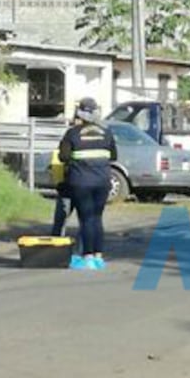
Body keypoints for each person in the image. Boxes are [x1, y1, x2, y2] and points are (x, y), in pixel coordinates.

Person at [58, 98, 117, 271]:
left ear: (80, 114)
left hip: (81, 182)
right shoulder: (106, 133)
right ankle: (99, 256)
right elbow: (113, 156)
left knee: (86, 219)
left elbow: (64, 156)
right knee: (97, 218)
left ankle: (88, 256)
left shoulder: (73, 133)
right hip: (102, 182)